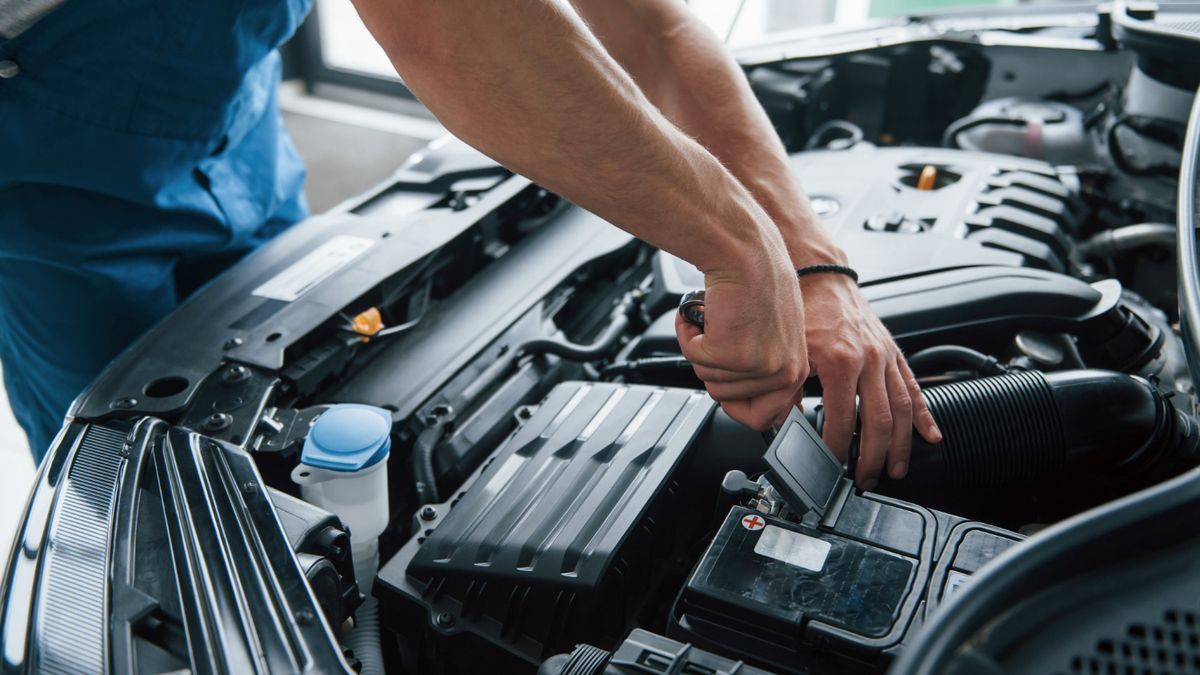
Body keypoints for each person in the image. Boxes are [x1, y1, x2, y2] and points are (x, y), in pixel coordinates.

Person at [0, 0, 939, 487]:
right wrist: (741, 248)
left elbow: (646, 27)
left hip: (220, 109)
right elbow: (442, 25)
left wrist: (810, 260)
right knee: (132, 475)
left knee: (289, 377)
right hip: (37, 160)